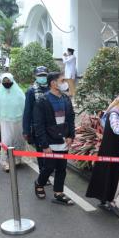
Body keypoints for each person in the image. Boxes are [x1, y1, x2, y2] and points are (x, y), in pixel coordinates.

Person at [33, 72, 75, 206]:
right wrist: (44, 145)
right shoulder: (43, 100)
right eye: (62, 80)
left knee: (62, 167)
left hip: (63, 139)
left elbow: (70, 118)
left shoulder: (66, 99)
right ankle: (39, 183)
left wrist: (70, 135)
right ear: (53, 83)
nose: (65, 83)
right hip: (49, 140)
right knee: (49, 166)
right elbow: (39, 124)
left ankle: (58, 193)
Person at [0, 73, 26, 172]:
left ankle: (18, 159)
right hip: (5, 120)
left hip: (19, 120)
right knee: (6, 141)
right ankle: (5, 162)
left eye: (8, 81)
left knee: (19, 139)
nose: (7, 83)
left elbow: (24, 107)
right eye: (4, 81)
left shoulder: (19, 92)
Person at [23, 66, 50, 174]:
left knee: (51, 151)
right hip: (38, 127)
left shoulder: (52, 88)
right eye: (40, 75)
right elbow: (27, 111)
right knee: (41, 151)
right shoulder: (31, 91)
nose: (42, 77)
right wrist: (26, 130)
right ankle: (43, 173)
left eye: (44, 75)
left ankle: (49, 170)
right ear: (35, 76)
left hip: (51, 126)